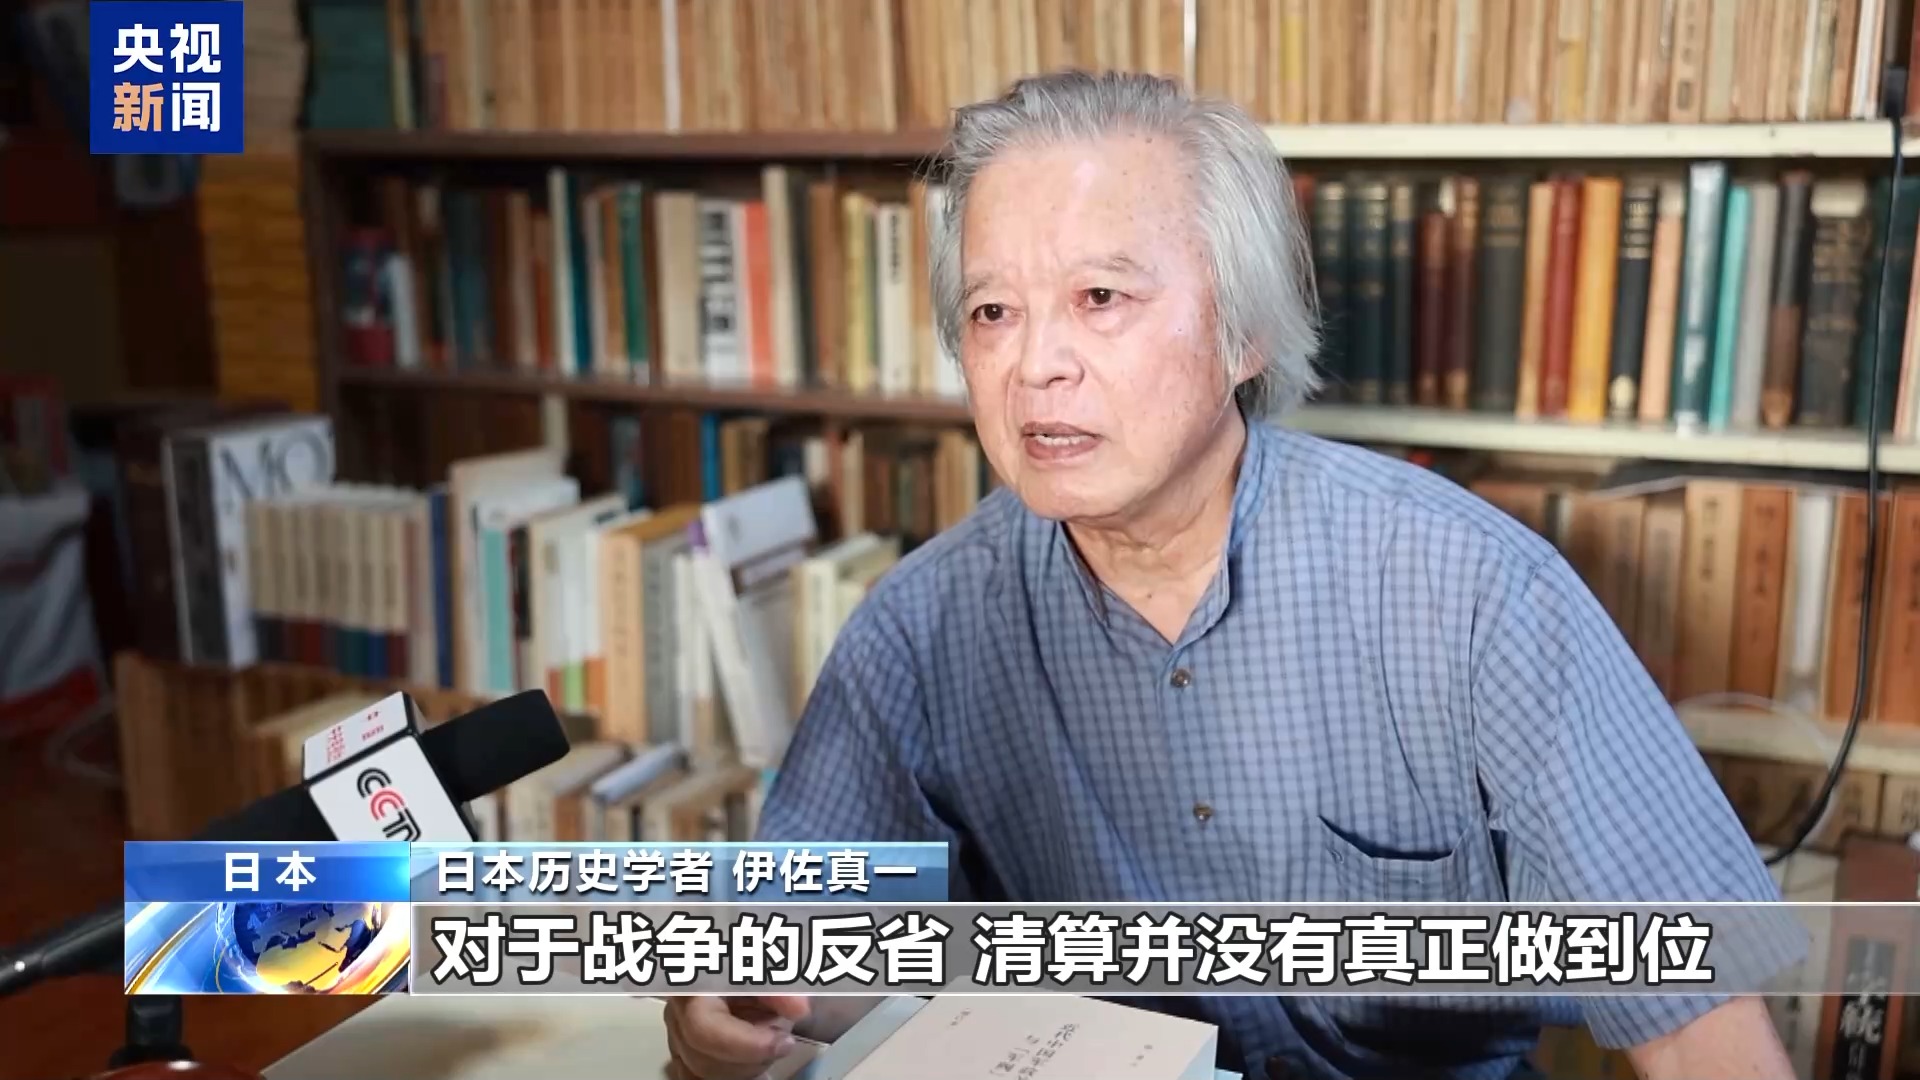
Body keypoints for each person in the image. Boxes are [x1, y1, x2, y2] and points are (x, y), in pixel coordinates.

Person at [665, 70, 1802, 1080]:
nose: (1034, 364)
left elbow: (1700, 1019)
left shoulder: (1472, 593)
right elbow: (795, 957)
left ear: (1243, 333)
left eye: (1100, 299)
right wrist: (728, 1013)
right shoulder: (920, 628)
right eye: (993, 311)